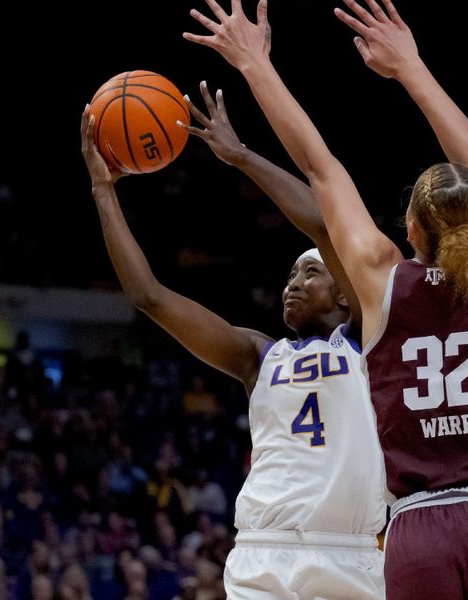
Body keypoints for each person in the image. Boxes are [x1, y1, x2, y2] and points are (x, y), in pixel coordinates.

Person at [183, 0, 468, 597]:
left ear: (409, 227)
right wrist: (411, 68)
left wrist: (255, 62)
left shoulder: (379, 282)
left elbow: (320, 166)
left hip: (416, 526)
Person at [81, 80, 386, 598]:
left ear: (345, 292)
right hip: (262, 552)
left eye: (309, 274)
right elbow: (148, 297)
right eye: (290, 275)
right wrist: (104, 192)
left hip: (352, 553)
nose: (293, 282)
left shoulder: (370, 336)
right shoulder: (258, 355)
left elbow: (323, 226)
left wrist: (241, 156)